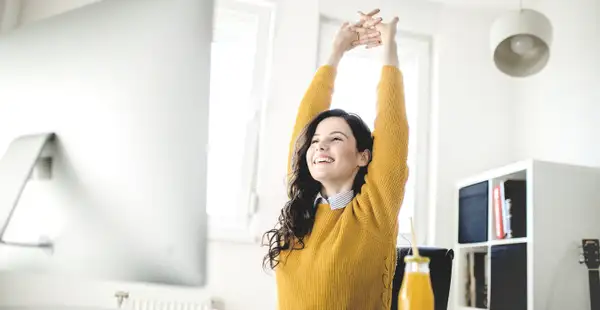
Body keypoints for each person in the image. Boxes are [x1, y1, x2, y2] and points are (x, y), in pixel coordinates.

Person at [262, 9, 409, 310]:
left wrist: (389, 48)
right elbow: (305, 125)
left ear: (363, 156)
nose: (320, 147)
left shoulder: (373, 213)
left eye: (336, 139)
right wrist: (336, 52)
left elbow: (393, 130)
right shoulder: (302, 211)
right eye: (316, 142)